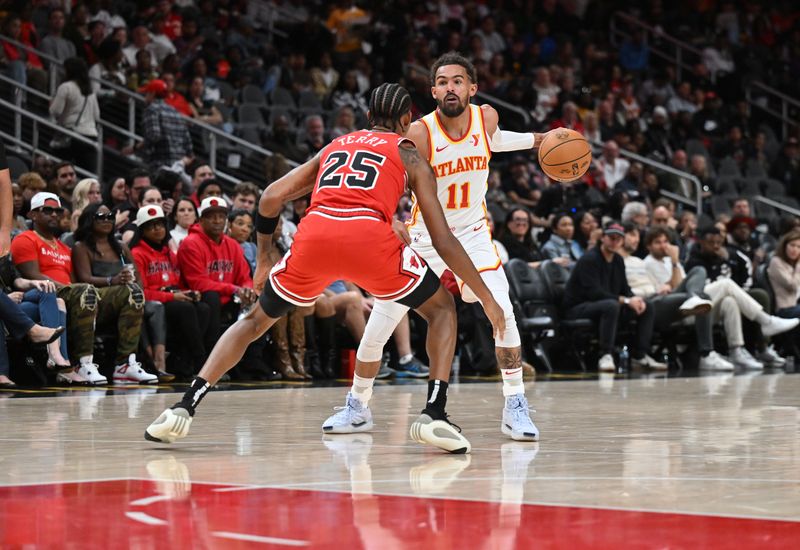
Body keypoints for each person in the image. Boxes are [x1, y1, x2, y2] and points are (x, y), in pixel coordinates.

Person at [145, 82, 505, 454]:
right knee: (442, 309)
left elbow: (269, 198)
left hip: (315, 235)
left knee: (253, 322)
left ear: (367, 118)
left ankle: (183, 406)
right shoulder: (409, 153)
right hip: (368, 237)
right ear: (405, 120)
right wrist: (486, 297)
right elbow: (442, 239)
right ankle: (434, 412)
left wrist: (266, 256)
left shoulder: (336, 145)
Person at [330, 54, 546, 442]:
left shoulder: (488, 118)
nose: (450, 88)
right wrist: (390, 220)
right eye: (443, 82)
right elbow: (390, 175)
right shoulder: (420, 133)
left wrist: (539, 140)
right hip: (425, 238)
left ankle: (515, 405)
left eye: (458, 81)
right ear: (432, 92)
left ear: (472, 89)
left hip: (474, 234)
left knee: (504, 312)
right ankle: (357, 406)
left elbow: (494, 142)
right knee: (381, 324)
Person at [685, 226, 799, 368]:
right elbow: (695, 290)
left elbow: (744, 277)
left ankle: (736, 351)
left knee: (729, 301)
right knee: (726, 284)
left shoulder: (728, 257)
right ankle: (766, 321)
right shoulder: (693, 262)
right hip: (690, 310)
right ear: (701, 242)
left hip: (709, 310)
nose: (715, 246)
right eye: (711, 242)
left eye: (718, 243)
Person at [563, 222, 667, 371]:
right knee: (611, 305)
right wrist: (626, 300)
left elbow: (625, 289)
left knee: (647, 306)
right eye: (611, 237)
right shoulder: (589, 259)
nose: (614, 241)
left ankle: (640, 356)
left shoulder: (618, 260)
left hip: (605, 306)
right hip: (578, 307)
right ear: (603, 238)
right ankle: (606, 354)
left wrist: (634, 299)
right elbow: (593, 293)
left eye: (618, 239)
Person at [72, 203, 154, 384]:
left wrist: (131, 283)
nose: (107, 220)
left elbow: (137, 277)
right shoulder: (81, 247)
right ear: (89, 220)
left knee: (135, 293)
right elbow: (84, 279)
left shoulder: (122, 247)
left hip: (123, 299)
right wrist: (113, 280)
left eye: (110, 216)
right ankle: (85, 363)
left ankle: (125, 364)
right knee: (124, 293)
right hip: (95, 299)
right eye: (101, 217)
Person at [130, 205, 211, 380]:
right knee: (185, 310)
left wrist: (189, 293)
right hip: (155, 303)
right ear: (142, 231)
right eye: (151, 226)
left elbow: (178, 282)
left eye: (160, 224)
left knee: (203, 307)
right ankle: (200, 360)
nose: (157, 229)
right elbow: (141, 292)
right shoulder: (137, 254)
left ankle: (183, 362)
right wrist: (172, 296)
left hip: (174, 297)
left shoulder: (169, 253)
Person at [49, 58, 100, 172]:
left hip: (72, 136)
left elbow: (55, 111)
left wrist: (52, 103)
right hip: (90, 136)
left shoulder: (66, 87)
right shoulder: (89, 90)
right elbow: (97, 115)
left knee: (62, 170)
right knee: (86, 176)